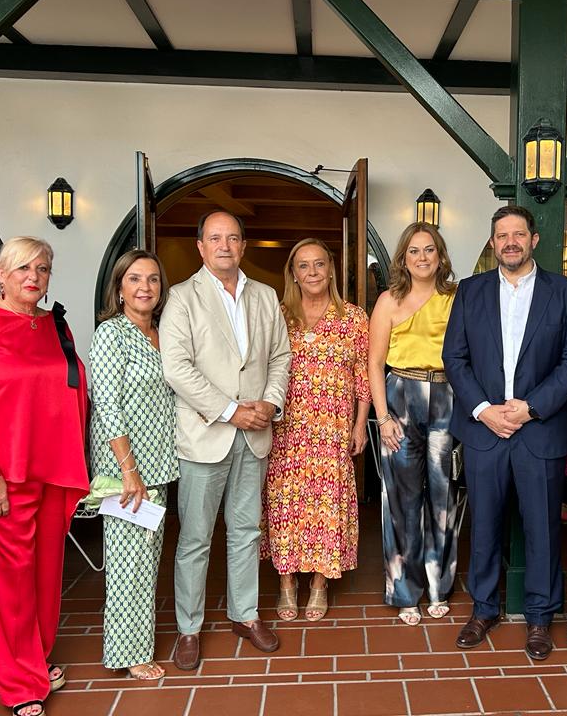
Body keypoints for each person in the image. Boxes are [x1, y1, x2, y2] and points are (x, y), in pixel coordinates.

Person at [0, 237, 88, 716]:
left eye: (43, 268)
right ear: (2, 274)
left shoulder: (53, 324)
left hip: (51, 470)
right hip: (0, 474)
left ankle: (35, 658)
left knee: (46, 575)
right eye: (23, 267)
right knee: (9, 579)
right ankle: (21, 684)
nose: (34, 276)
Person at [442, 204, 567, 659]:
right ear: (492, 242)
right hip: (485, 429)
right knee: (483, 525)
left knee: (543, 528)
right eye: (502, 235)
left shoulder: (565, 292)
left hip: (539, 431)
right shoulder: (470, 291)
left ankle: (541, 618)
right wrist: (486, 410)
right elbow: (455, 358)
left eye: (518, 234)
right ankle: (484, 609)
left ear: (534, 240)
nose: (510, 242)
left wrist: (529, 409)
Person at [160, 210, 291, 669]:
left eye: (233, 238)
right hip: (206, 434)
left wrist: (270, 405)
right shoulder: (181, 298)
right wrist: (232, 410)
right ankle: (189, 627)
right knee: (195, 537)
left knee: (246, 531)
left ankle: (245, 614)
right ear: (200, 246)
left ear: (243, 246)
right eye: (215, 238)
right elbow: (177, 368)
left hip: (256, 433)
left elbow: (280, 356)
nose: (224, 246)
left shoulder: (265, 295)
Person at [262, 238, 371, 622]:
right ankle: (287, 584)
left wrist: (360, 424)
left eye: (319, 264)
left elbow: (363, 377)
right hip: (284, 428)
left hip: (332, 429)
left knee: (328, 504)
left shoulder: (353, 318)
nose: (312, 273)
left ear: (331, 269)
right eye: (304, 266)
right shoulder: (277, 315)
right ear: (293, 272)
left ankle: (320, 585)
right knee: (284, 505)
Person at [89, 249, 179, 681]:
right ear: (120, 287)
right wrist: (129, 470)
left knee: (146, 560)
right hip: (125, 470)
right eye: (135, 279)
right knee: (127, 563)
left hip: (158, 464)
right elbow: (106, 404)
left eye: (153, 280)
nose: (145, 287)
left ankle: (136, 642)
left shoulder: (161, 332)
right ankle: (128, 653)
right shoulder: (112, 333)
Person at [368, 222, 459, 625]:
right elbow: (373, 363)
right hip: (400, 397)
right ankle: (405, 590)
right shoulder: (389, 300)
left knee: (444, 496)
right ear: (403, 258)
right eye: (414, 251)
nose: (422, 257)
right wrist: (382, 416)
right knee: (402, 499)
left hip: (446, 398)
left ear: (440, 255)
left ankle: (439, 585)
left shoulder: (458, 298)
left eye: (429, 250)